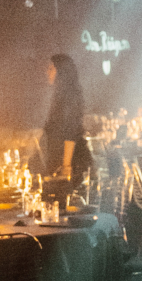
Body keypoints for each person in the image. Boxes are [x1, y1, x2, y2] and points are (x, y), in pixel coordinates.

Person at [41, 52, 91, 183]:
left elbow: (71, 132)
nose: (47, 72)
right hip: (59, 156)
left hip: (70, 159)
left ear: (61, 72)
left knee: (66, 192)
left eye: (51, 68)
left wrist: (66, 167)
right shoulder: (59, 95)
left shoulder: (70, 96)